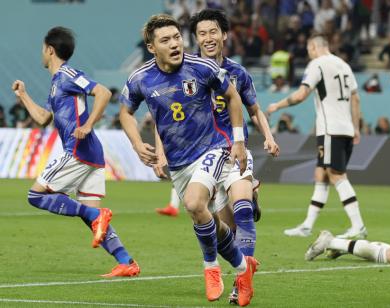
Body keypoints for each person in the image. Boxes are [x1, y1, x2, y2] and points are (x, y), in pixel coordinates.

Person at [118, 14, 257, 306]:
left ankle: (210, 268)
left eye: (177, 37)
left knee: (195, 203)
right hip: (179, 163)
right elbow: (125, 112)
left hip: (213, 147)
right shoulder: (140, 78)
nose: (174, 44)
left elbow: (233, 98)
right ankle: (243, 268)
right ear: (151, 47)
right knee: (209, 220)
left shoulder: (202, 67)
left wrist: (240, 141)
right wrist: (135, 143)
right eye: (165, 40)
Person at [11, 27, 140, 277]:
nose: (41, 53)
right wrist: (24, 95)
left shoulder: (68, 74)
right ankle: (126, 261)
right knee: (91, 220)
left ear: (50, 50)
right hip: (90, 153)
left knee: (35, 196)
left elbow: (102, 92)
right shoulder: (56, 84)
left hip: (78, 150)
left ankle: (96, 214)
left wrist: (88, 124)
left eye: (42, 49)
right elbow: (42, 118)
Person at [188, 9, 280, 304]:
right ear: (196, 38)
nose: (208, 38)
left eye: (213, 31)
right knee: (223, 230)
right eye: (202, 33)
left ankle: (242, 284)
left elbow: (254, 109)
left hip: (234, 151)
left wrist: (268, 135)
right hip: (203, 158)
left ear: (224, 35)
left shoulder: (238, 73)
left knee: (242, 211)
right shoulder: (187, 73)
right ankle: (243, 262)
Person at [267, 34, 367, 239]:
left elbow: (301, 95)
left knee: (336, 174)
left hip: (330, 129)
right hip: (346, 128)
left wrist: (278, 105)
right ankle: (307, 225)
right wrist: (356, 127)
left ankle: (358, 226)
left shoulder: (317, 64)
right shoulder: (344, 65)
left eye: (308, 49)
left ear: (314, 47)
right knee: (320, 175)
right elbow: (355, 99)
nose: (308, 53)